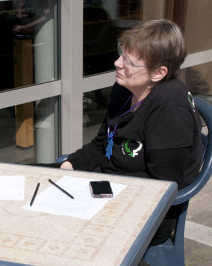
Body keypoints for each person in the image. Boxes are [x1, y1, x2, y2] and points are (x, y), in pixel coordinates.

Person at [59, 19, 203, 245]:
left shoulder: (169, 110)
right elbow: (101, 144)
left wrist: (97, 189)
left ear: (158, 73)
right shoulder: (124, 89)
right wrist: (70, 165)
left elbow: (163, 186)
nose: (117, 63)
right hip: (109, 185)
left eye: (128, 61)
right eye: (121, 54)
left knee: (62, 229)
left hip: (147, 211)